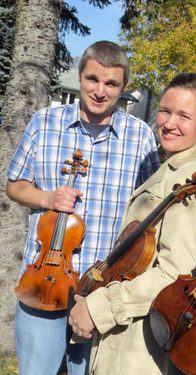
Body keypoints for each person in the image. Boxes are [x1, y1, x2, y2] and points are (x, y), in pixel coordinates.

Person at [6, 40, 160, 375]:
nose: (100, 91)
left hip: (101, 292)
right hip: (43, 279)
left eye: (111, 84)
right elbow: (14, 184)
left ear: (123, 87)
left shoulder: (141, 137)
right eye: (93, 79)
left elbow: (149, 212)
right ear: (80, 76)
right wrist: (47, 199)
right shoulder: (43, 123)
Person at [67, 72, 196, 375]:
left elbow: (174, 273)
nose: (169, 122)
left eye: (184, 116)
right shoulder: (171, 167)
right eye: (165, 111)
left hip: (139, 351)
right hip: (124, 339)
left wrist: (99, 308)